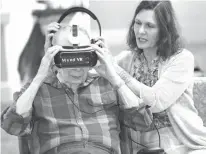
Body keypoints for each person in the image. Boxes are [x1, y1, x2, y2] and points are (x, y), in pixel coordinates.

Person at [1, 17, 149, 154]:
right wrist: (40, 76)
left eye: (83, 57)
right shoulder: (38, 89)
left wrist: (114, 77)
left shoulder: (108, 84)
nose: (77, 68)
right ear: (53, 56)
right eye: (68, 58)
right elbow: (12, 125)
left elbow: (143, 121)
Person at [90, 0, 206, 154]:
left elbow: (156, 101)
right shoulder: (126, 59)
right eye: (137, 23)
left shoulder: (182, 59)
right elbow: (85, 75)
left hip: (184, 145)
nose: (140, 31)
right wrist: (98, 55)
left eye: (150, 26)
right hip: (138, 148)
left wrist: (115, 68)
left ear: (165, 30)